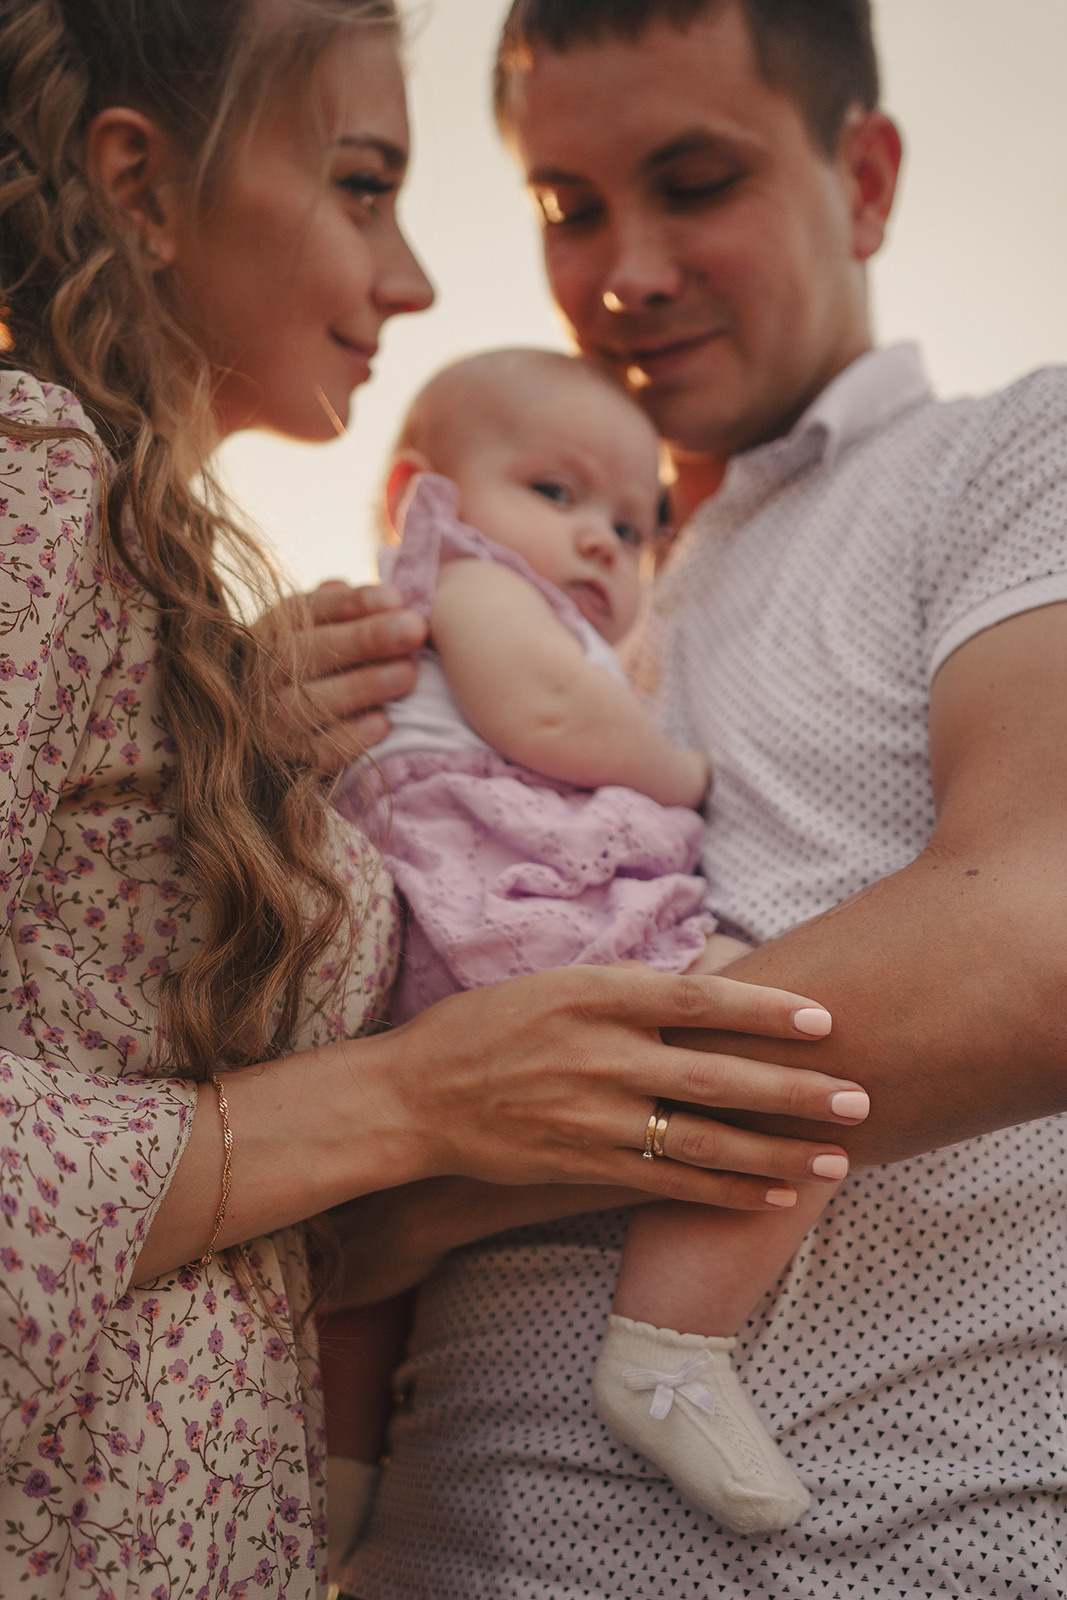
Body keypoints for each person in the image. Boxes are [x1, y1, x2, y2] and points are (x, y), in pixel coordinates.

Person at [0, 0, 878, 1594]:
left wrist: (224, 744)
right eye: (360, 186)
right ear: (140, 185)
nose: (410, 278)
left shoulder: (174, 589)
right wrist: (409, 1107)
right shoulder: (31, 471)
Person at [332, 2, 1067, 1596]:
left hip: (898, 1555)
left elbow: (1035, 940)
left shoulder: (1017, 456)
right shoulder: (536, 580)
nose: (625, 271)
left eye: (692, 182)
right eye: (568, 206)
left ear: (862, 180)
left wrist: (419, 1178)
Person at [323, 347, 855, 1556]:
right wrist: (684, 771)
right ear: (419, 494)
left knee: (366, 1262)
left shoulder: (508, 608)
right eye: (556, 492)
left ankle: (334, 1481)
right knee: (793, 1055)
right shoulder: (467, 572)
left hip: (435, 941)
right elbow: (547, 716)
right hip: (506, 907)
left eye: (630, 523)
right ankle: (669, 1352)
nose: (601, 541)